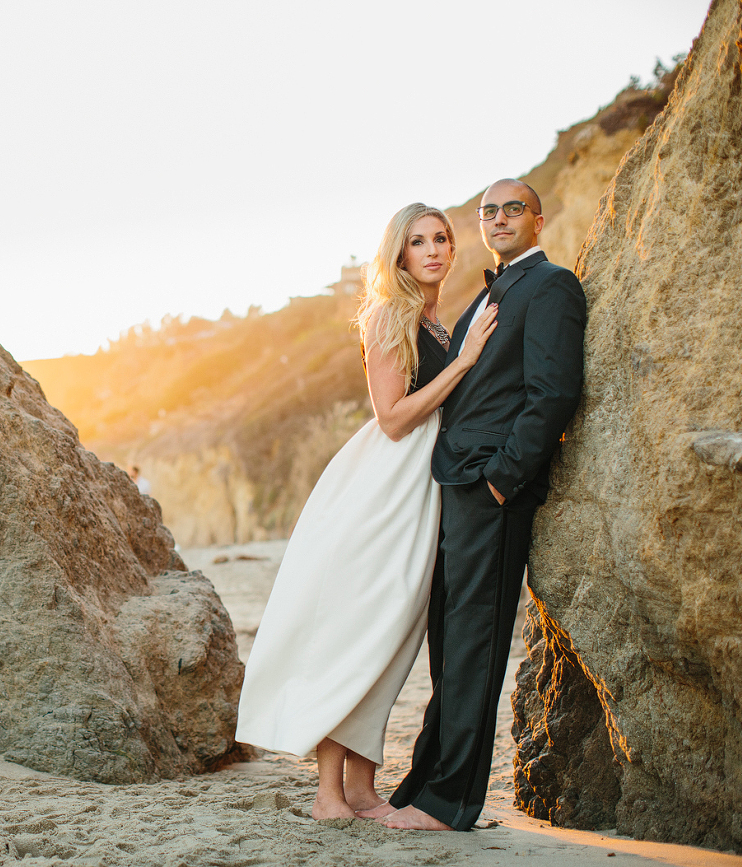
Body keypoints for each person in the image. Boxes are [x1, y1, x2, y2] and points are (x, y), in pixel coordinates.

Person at [234, 203, 498, 820]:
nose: (432, 250)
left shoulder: (435, 322)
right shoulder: (388, 314)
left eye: (440, 239)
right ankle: (330, 794)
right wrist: (464, 364)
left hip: (418, 493)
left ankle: (361, 789)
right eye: (417, 241)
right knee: (361, 631)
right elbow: (394, 416)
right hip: (381, 490)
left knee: (392, 636)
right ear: (398, 253)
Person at [369, 179, 587, 831]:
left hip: (489, 488)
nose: (497, 218)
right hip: (455, 485)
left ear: (537, 220)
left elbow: (551, 392)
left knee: (474, 639)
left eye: (511, 208)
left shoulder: (548, 286)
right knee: (449, 637)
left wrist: (500, 479)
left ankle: (449, 801)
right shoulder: (493, 292)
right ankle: (422, 784)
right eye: (487, 210)